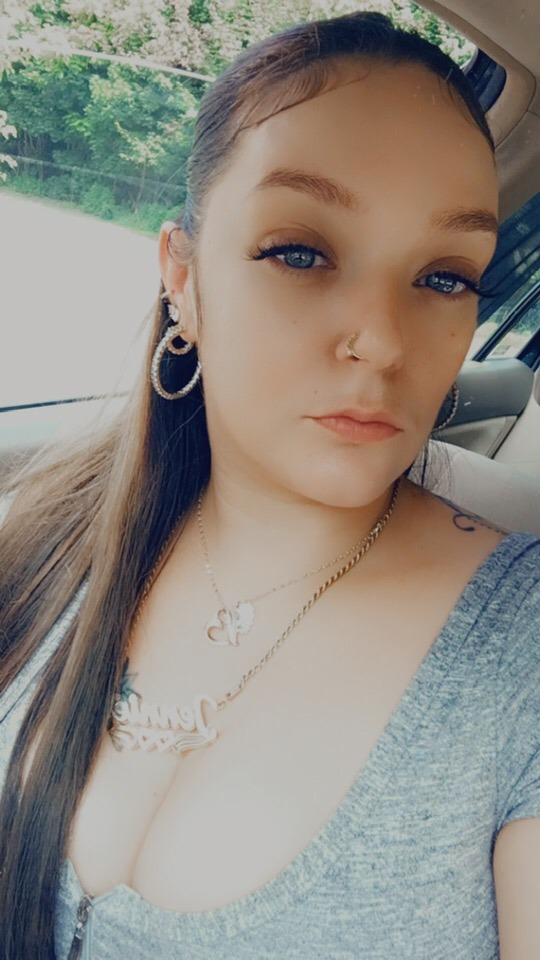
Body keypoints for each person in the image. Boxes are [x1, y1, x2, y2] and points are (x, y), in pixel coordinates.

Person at [0, 10, 539, 960]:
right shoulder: (41, 535)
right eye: (300, 252)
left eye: (446, 277)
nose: (382, 340)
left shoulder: (518, 651)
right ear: (182, 278)